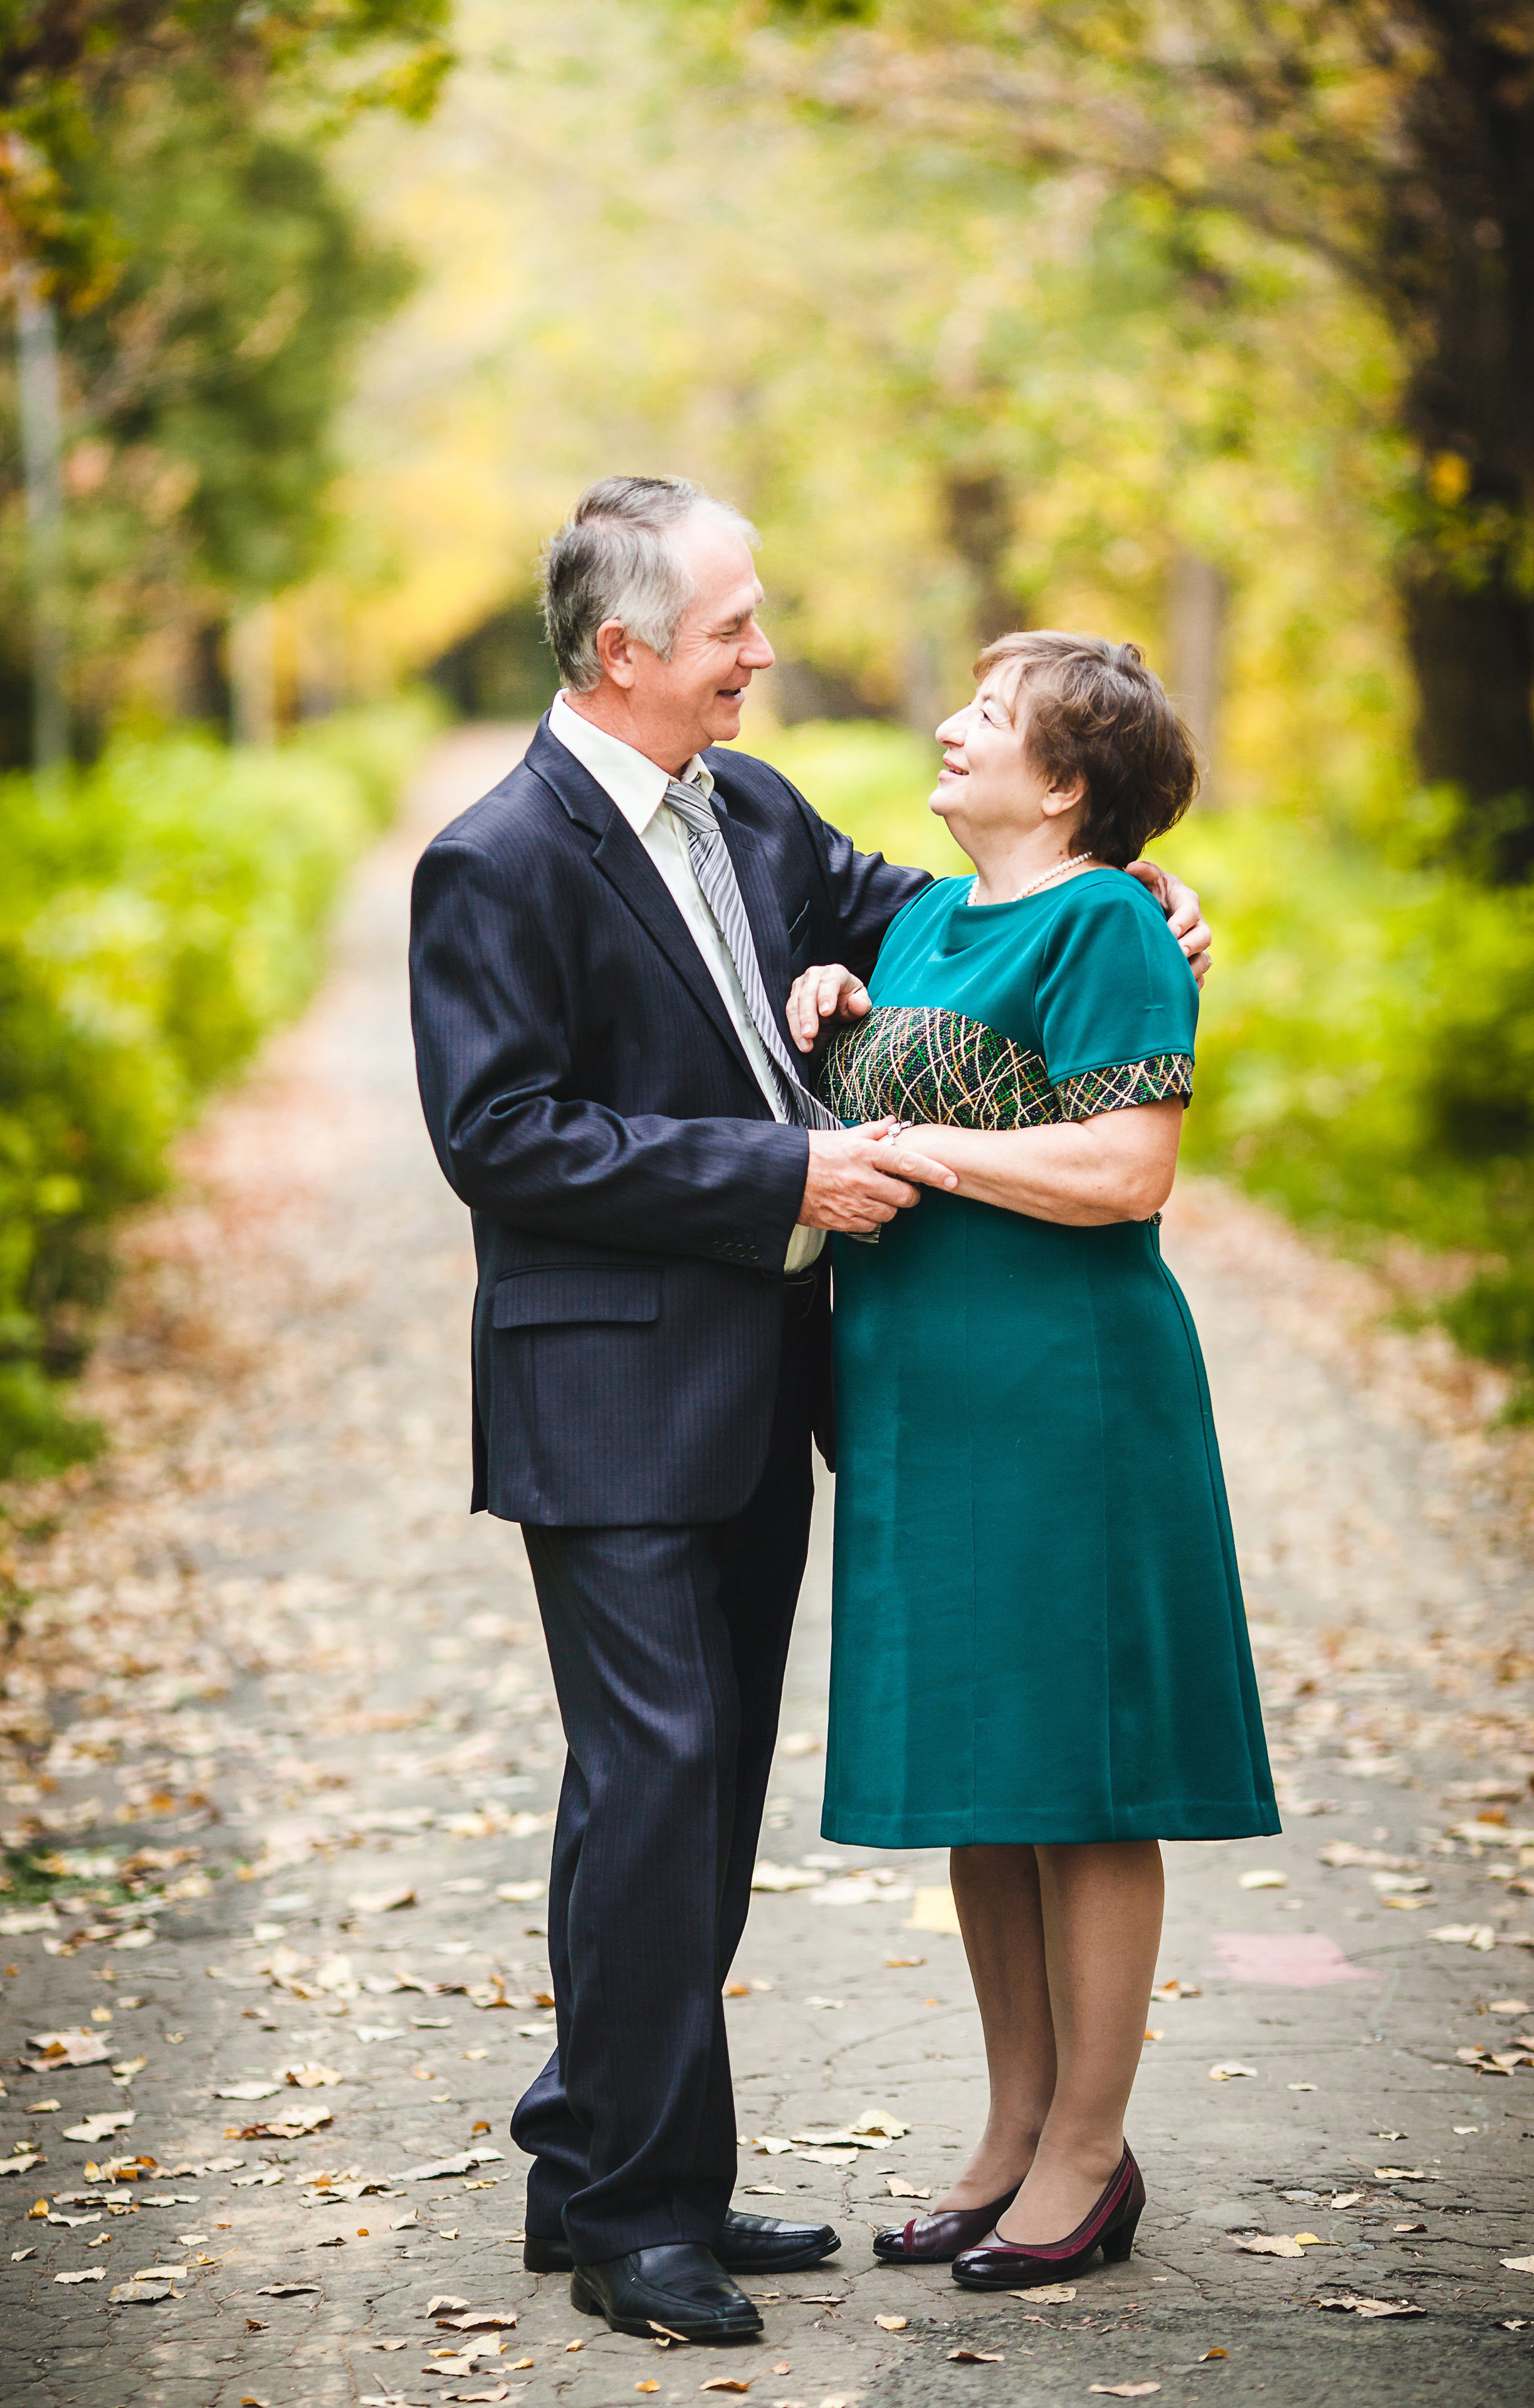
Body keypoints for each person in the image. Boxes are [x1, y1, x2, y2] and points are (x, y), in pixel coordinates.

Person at [409, 482, 1214, 2344]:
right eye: (732, 630)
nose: (761, 656)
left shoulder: (751, 810)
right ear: (627, 650)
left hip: (769, 1389)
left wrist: (1142, 886)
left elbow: (971, 922)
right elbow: (501, 1135)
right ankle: (638, 2216)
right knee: (657, 1782)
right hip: (606, 1395)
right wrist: (782, 1169)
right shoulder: (498, 858)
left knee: (684, 1799)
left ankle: (595, 2155)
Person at [787, 630, 1278, 2292]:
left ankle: (1089, 2148)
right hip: (921, 1403)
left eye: (989, 716)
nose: (950, 726)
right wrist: (823, 1011)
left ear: (1064, 783)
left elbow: (1129, 1170)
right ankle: (1009, 2131)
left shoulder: (1113, 924)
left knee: (1083, 1777)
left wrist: (915, 1142)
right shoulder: (921, 919)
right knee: (983, 1781)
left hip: (1069, 1398)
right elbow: (872, 1066)